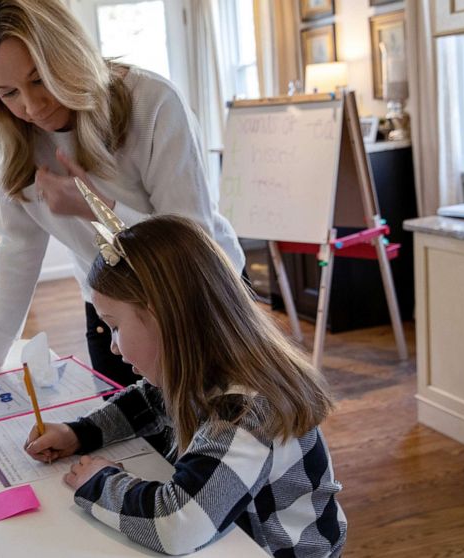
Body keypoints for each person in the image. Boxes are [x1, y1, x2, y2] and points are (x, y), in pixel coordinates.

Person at [0, 0, 244, 387]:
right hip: (112, 312)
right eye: (8, 92)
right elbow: (18, 247)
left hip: (200, 299)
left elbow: (192, 242)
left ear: (68, 55)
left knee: (223, 438)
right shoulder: (5, 136)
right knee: (124, 436)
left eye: (40, 79)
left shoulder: (153, 101)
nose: (31, 106)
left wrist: (97, 208)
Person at [25, 211, 346, 556]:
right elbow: (141, 404)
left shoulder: (246, 410)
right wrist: (80, 433)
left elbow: (178, 524)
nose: (113, 346)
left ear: (163, 317)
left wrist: (99, 483)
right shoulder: (201, 369)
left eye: (115, 326)